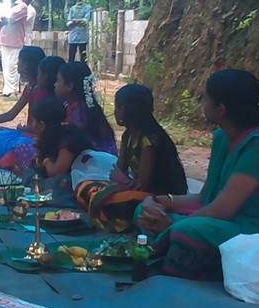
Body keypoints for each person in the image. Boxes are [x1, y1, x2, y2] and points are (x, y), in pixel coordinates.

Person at [135, 69, 259, 281]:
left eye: (206, 98)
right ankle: (171, 243)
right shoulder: (222, 138)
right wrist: (157, 201)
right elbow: (204, 198)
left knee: (188, 230)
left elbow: (224, 208)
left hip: (255, 230)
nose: (202, 103)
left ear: (220, 109)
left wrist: (171, 225)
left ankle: (176, 247)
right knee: (142, 210)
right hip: (222, 221)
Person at [74, 84, 187, 232]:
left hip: (156, 196)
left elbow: (143, 185)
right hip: (132, 188)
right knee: (84, 187)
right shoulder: (128, 135)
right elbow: (119, 171)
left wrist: (123, 181)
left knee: (111, 202)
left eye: (119, 107)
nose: (116, 112)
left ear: (131, 110)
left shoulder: (149, 140)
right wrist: (119, 182)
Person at [0, 46, 49, 172]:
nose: (17, 64)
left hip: (35, 137)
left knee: (13, 145)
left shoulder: (41, 91)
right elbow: (11, 114)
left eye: (20, 61)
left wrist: (27, 128)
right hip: (26, 133)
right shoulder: (30, 87)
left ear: (28, 64)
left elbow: (43, 126)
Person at [55, 62, 117, 155]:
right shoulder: (86, 107)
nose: (55, 84)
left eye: (58, 80)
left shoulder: (79, 112)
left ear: (69, 86)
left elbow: (71, 142)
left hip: (94, 164)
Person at [31, 96, 93, 180]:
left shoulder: (68, 138)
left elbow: (56, 173)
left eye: (33, 121)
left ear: (42, 125)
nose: (31, 125)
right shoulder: (54, 135)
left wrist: (46, 161)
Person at [0, 0, 28, 97]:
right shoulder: (7, 6)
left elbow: (9, 19)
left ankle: (13, 91)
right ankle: (7, 90)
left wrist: (3, 19)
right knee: (6, 66)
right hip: (4, 39)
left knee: (13, 66)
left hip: (16, 40)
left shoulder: (22, 6)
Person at [66, 0, 92, 64]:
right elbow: (68, 22)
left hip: (82, 36)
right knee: (71, 56)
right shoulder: (72, 8)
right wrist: (76, 22)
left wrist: (75, 21)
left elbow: (86, 20)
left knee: (83, 56)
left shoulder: (87, 7)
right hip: (73, 36)